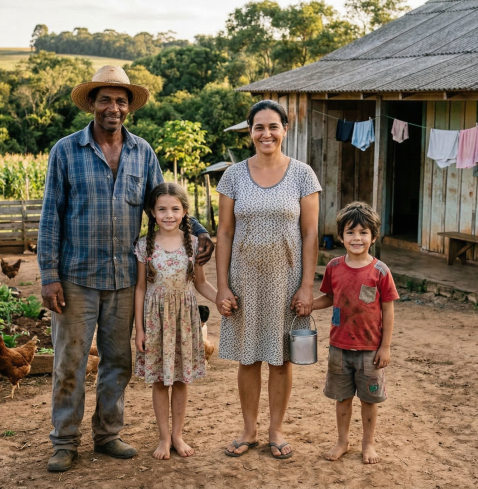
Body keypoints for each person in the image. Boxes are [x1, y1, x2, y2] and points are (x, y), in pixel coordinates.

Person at [38, 65, 214, 473]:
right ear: (93, 105)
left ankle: (107, 434)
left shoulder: (142, 152)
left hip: (124, 280)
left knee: (119, 362)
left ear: (128, 107)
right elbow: (51, 216)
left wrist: (200, 231)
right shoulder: (66, 151)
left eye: (120, 101)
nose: (113, 108)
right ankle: (64, 441)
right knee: (70, 364)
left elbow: (163, 201)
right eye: (105, 100)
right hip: (77, 277)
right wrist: (48, 275)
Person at [215, 100, 321, 459]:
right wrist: (223, 286)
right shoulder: (233, 175)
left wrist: (307, 285)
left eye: (273, 126)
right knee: (248, 358)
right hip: (243, 279)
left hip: (286, 279)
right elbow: (224, 233)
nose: (266, 134)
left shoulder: (303, 174)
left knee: (280, 359)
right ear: (250, 132)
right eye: (259, 127)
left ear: (285, 129)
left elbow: (310, 234)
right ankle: (249, 429)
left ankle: (276, 430)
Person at [134, 183, 221, 460]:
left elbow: (202, 284)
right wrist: (139, 329)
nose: (168, 214)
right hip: (156, 322)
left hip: (184, 321)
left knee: (181, 380)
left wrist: (221, 298)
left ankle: (177, 436)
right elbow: (139, 289)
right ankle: (162, 438)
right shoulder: (143, 245)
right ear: (152, 212)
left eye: (175, 208)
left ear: (185, 212)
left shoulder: (193, 244)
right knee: (160, 381)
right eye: (162, 209)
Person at [311, 201, 399, 464]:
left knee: (369, 399)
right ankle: (343, 441)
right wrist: (309, 307)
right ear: (341, 236)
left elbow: (388, 310)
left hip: (370, 349)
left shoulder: (380, 271)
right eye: (350, 232)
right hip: (339, 346)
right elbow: (329, 297)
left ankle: (368, 443)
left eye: (363, 232)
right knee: (342, 397)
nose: (356, 238)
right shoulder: (334, 267)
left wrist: (385, 346)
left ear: (373, 236)